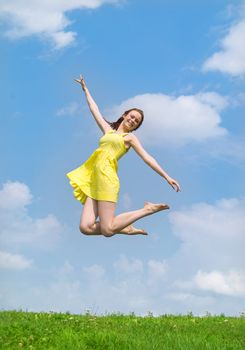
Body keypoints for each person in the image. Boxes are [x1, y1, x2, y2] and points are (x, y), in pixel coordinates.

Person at [66, 75, 181, 237]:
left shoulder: (129, 138)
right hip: (93, 180)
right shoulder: (108, 131)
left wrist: (166, 176)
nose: (133, 120)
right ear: (124, 115)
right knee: (85, 227)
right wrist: (85, 89)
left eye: (137, 121)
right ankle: (124, 227)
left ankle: (147, 209)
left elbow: (147, 158)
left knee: (107, 230)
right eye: (132, 116)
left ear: (136, 127)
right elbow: (95, 110)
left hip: (107, 178)